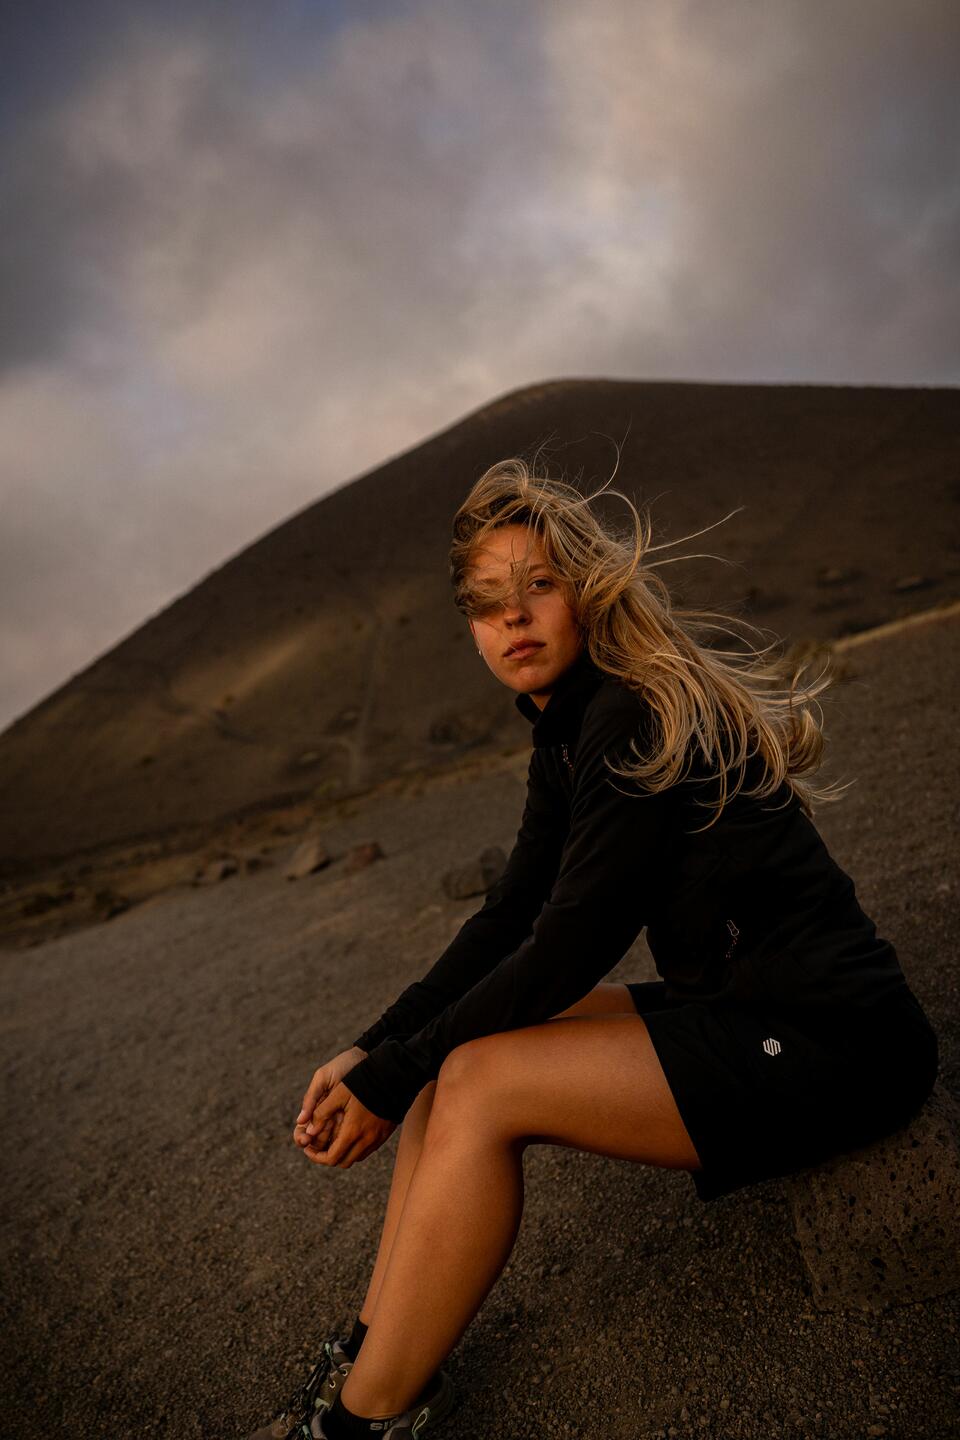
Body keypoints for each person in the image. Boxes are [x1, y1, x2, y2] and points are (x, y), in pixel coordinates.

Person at [248, 459, 939, 1440]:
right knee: (450, 1060)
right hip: (739, 1006)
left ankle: (359, 1424)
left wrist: (397, 1073)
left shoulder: (629, 712)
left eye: (538, 586)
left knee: (476, 1080)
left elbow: (570, 943)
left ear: (584, 588)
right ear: (469, 625)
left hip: (836, 1042)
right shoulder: (566, 731)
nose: (515, 619)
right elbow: (506, 919)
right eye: (487, 605)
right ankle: (372, 1352)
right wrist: (379, 1049)